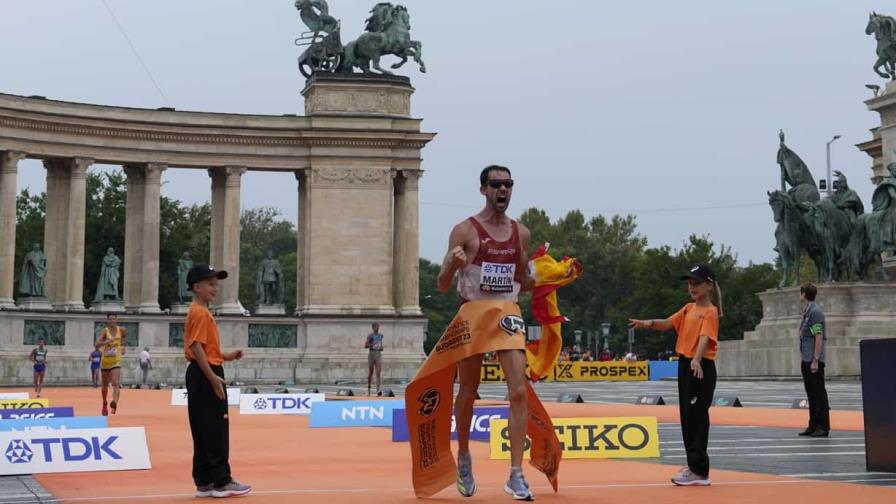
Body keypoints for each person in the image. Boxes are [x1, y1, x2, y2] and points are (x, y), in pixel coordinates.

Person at [437, 165, 535, 500]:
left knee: (518, 391)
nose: (503, 190)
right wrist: (451, 264)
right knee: (468, 389)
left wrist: (551, 274)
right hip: (474, 313)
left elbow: (525, 281)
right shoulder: (465, 230)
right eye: (496, 184)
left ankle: (516, 473)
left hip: (506, 313)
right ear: (483, 190)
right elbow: (442, 283)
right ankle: (464, 455)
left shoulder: (521, 233)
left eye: (508, 184)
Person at [629, 263, 722, 486]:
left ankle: (700, 470)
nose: (692, 287)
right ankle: (694, 465)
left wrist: (697, 359)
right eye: (690, 283)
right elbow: (669, 323)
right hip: (686, 364)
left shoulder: (710, 312)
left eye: (696, 283)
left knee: (697, 417)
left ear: (709, 286)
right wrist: (649, 323)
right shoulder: (688, 308)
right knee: (687, 416)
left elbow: (705, 338)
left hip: (700, 366)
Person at [184, 264, 250, 498]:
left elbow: (204, 348)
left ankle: (205, 480)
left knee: (203, 427)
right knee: (215, 427)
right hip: (206, 372)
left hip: (200, 370)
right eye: (211, 284)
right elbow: (196, 346)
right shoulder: (200, 313)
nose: (216, 288)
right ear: (197, 287)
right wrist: (212, 377)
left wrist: (226, 356)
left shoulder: (198, 311)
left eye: (217, 284)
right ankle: (222, 480)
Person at [798, 283, 830, 437]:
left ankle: (822, 426)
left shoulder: (816, 312)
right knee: (811, 394)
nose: (800, 296)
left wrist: (816, 359)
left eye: (800, 293)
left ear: (804, 294)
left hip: (813, 360)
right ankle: (813, 425)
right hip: (806, 358)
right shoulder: (808, 312)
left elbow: (818, 336)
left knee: (818, 394)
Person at [95, 313, 127, 415]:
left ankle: (114, 403)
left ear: (116, 320)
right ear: (107, 321)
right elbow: (97, 345)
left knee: (116, 383)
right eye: (110, 319)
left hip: (116, 361)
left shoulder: (121, 330)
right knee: (104, 386)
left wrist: (123, 347)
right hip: (105, 361)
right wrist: (107, 341)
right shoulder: (105, 331)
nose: (112, 321)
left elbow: (124, 338)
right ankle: (104, 403)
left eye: (114, 319)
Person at [364, 323, 384, 396]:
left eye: (378, 326)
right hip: (371, 354)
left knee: (378, 372)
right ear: (372, 328)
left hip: (378, 354)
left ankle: (378, 390)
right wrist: (372, 344)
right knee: (371, 372)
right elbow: (365, 345)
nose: (377, 328)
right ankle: (368, 389)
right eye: (375, 327)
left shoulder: (381, 335)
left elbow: (381, 345)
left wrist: (381, 347)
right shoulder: (370, 336)